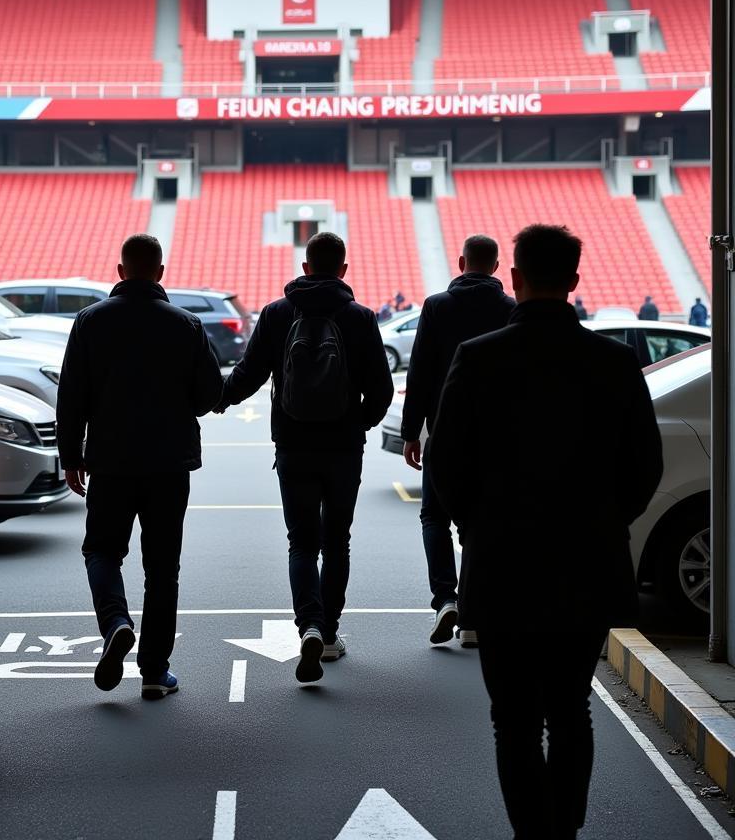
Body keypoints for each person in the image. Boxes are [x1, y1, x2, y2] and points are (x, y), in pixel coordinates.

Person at [428, 224, 662, 840]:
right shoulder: (613, 361)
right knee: (571, 711)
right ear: (575, 283)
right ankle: (565, 833)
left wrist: (475, 524)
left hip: (502, 564)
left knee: (514, 720)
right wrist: (606, 522)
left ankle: (532, 834)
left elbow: (446, 465)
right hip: (587, 565)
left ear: (516, 279)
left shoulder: (477, 358)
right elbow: (646, 467)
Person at [215, 232, 392, 683]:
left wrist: (215, 399)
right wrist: (358, 423)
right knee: (337, 541)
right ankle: (329, 634)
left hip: (292, 445)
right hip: (343, 448)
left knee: (302, 542)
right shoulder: (360, 317)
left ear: (306, 267)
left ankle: (308, 625)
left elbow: (250, 373)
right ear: (344, 270)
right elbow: (383, 390)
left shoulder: (277, 313)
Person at [56, 234, 223, 700]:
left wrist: (72, 457)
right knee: (162, 569)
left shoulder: (90, 322)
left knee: (102, 552)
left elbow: (71, 396)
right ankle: (154, 671)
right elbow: (210, 397)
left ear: (120, 270)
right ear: (161, 273)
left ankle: (115, 622)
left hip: (109, 461)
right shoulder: (186, 324)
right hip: (169, 464)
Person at [401, 234, 515, 647]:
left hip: (444, 431)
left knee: (434, 516)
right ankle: (472, 619)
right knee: (479, 524)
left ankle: (445, 599)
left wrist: (411, 431)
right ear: (496, 266)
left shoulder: (437, 306)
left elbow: (420, 373)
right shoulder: (509, 309)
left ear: (462, 260)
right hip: (492, 436)